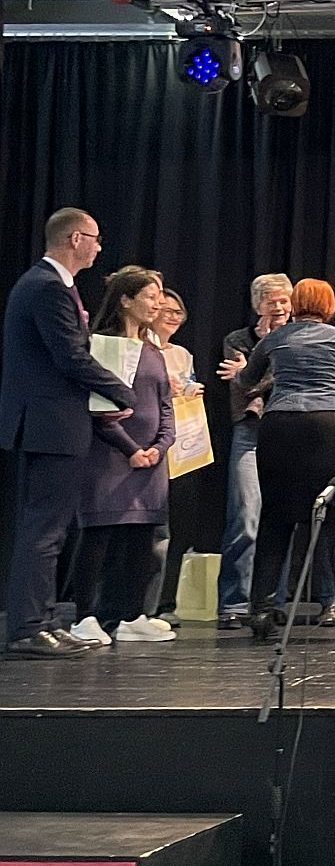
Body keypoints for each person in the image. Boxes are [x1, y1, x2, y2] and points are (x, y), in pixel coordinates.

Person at [1, 209, 139, 658]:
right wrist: (121, 392)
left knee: (51, 529)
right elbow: (70, 356)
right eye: (95, 238)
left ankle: (40, 621)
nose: (99, 247)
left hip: (55, 424)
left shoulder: (54, 285)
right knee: (44, 529)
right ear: (76, 239)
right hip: (50, 425)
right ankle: (27, 628)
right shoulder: (47, 286)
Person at [241, 279, 335, 640]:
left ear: (295, 303)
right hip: (329, 426)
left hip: (280, 425)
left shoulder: (276, 338)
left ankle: (261, 611)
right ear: (329, 306)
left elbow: (246, 379)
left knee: (276, 518)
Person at [70, 266, 177, 645]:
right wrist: (131, 450)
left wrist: (160, 446)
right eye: (150, 296)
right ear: (126, 300)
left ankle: (131, 615)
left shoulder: (152, 350)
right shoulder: (102, 346)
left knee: (142, 540)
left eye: (159, 296)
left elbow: (165, 405)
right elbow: (99, 409)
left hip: (151, 462)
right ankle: (85, 616)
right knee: (99, 535)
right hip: (110, 458)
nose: (157, 304)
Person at [214, 272, 290, 629]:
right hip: (250, 429)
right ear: (258, 305)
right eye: (272, 301)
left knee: (281, 517)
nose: (279, 307)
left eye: (284, 301)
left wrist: (252, 372)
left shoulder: (296, 337)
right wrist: (260, 364)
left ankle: (272, 601)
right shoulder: (237, 339)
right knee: (245, 515)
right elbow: (241, 387)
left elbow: (283, 378)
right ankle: (235, 602)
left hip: (286, 428)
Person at [147, 287, 204, 625]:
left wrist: (191, 390)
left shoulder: (182, 354)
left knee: (174, 526)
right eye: (165, 310)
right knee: (153, 527)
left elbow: (187, 384)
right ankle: (141, 605)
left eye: (177, 311)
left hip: (181, 446)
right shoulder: (143, 348)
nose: (172, 316)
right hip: (149, 440)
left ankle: (164, 601)